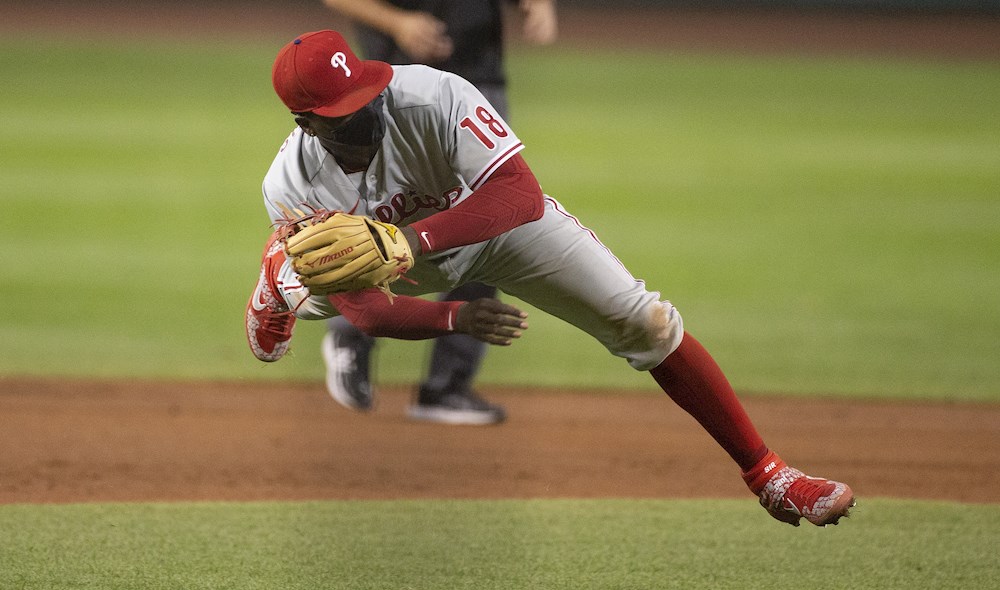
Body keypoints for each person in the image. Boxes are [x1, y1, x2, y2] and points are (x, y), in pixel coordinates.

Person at [245, 30, 856, 527]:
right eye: (345, 117)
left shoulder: (434, 96)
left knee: (645, 320)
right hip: (393, 267)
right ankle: (277, 284)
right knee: (312, 277)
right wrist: (453, 316)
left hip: (486, 227)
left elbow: (520, 194)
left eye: (367, 98)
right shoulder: (294, 185)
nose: (366, 117)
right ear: (308, 123)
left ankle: (770, 477)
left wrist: (410, 239)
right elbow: (371, 314)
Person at [315, 0, 557, 425]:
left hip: (479, 75)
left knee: (491, 219)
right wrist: (397, 21)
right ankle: (351, 334)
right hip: (392, 81)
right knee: (386, 218)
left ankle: (447, 385)